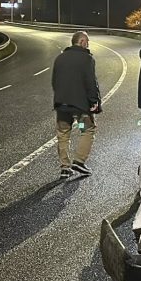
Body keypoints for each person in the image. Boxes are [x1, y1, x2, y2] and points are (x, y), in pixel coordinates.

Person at [52, 31, 101, 177]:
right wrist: (94, 101)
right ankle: (79, 161)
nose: (88, 44)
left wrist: (60, 97)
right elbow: (91, 82)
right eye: (87, 41)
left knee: (63, 133)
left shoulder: (59, 58)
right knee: (86, 129)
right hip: (80, 107)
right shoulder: (87, 59)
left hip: (62, 105)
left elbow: (54, 81)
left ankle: (65, 167)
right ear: (82, 42)